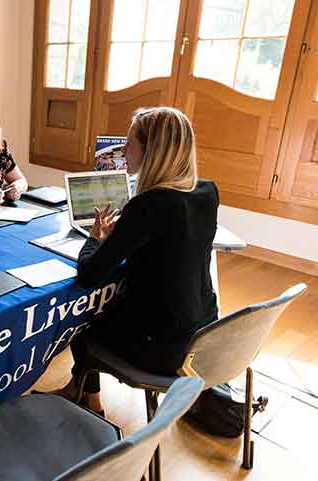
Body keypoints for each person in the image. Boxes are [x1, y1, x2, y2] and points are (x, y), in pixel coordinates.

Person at [56, 107, 219, 412]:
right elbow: (169, 246)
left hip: (161, 347)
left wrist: (94, 239)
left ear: (151, 151)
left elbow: (90, 275)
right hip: (203, 334)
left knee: (81, 321)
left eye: (129, 144)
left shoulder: (148, 205)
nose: (123, 152)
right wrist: (127, 235)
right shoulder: (207, 192)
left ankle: (90, 399)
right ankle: (81, 389)